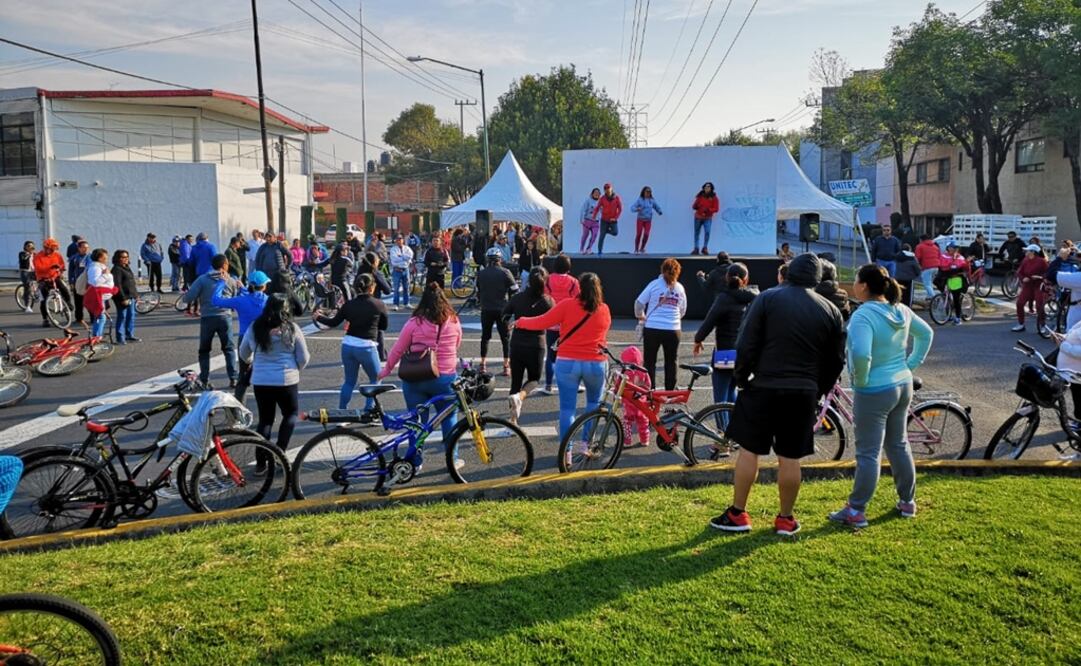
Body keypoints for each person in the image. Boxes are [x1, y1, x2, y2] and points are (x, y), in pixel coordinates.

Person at [710, 253, 845, 536]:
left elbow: (745, 342)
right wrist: (816, 388)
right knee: (791, 457)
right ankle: (785, 518)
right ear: (816, 278)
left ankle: (738, 514)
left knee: (749, 450)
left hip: (764, 385)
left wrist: (741, 377)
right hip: (803, 391)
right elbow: (836, 360)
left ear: (790, 272)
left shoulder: (768, 298)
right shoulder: (829, 309)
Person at [829, 264, 933, 528]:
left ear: (864, 286)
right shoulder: (900, 310)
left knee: (868, 452)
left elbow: (862, 354)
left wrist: (860, 381)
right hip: (902, 385)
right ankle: (907, 501)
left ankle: (856, 510)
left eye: (855, 280)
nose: (853, 284)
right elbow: (926, 334)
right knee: (898, 444)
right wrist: (909, 365)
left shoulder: (864, 316)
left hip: (874, 390)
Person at [515, 272, 612, 445]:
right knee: (593, 405)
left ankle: (566, 451)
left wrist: (520, 321)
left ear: (579, 287)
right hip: (595, 362)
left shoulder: (567, 305)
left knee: (567, 409)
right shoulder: (604, 309)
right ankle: (586, 445)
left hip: (567, 361)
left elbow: (542, 322)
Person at [379, 283, 464, 445]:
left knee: (417, 422)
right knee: (448, 418)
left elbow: (398, 349)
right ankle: (452, 457)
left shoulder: (414, 323)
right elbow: (457, 344)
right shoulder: (454, 321)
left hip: (415, 377)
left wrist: (386, 370)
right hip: (445, 378)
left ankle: (415, 461)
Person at [240, 294, 310, 456]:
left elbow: (244, 353)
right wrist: (295, 369)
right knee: (290, 414)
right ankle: (280, 451)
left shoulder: (255, 327)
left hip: (261, 380)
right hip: (286, 379)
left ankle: (261, 461)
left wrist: (252, 362)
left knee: (265, 420)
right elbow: (303, 357)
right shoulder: (292, 329)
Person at [315, 273, 388, 417]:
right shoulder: (379, 304)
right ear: (372, 287)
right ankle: (369, 410)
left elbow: (334, 322)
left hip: (348, 345)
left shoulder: (349, 305)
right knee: (376, 378)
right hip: (367, 346)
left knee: (349, 381)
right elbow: (383, 326)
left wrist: (318, 317)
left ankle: (342, 411)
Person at [693, 263, 757, 409]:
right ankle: (734, 427)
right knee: (732, 391)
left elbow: (709, 321)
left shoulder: (724, 298)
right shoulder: (753, 298)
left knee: (720, 398)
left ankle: (723, 431)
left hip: (724, 353)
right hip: (743, 354)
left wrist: (698, 339)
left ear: (726, 278)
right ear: (746, 279)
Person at [180, 254, 240, 389]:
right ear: (224, 265)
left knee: (204, 350)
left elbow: (188, 298)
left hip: (207, 317)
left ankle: (205, 378)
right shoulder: (230, 280)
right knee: (229, 348)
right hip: (225, 317)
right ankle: (233, 378)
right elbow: (234, 299)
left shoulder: (202, 280)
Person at [503, 266, 554, 425]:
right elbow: (556, 322)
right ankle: (521, 396)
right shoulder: (548, 301)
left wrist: (509, 324)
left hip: (517, 343)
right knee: (534, 379)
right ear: (544, 282)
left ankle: (513, 420)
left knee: (515, 383)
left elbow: (504, 315)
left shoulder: (518, 298)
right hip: (537, 344)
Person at [213, 270, 271, 401]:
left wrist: (222, 283)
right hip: (264, 338)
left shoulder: (241, 300)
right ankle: (266, 408)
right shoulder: (269, 301)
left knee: (243, 375)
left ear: (251, 285)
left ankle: (239, 409)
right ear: (264, 286)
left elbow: (216, 300)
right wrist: (243, 289)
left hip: (245, 338)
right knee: (265, 375)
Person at [634, 258, 688, 391]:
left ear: (662, 270)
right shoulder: (680, 288)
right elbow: (683, 309)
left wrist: (641, 316)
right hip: (673, 329)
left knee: (650, 362)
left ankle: (650, 391)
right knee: (671, 361)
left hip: (653, 327)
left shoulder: (654, 284)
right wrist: (673, 319)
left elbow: (639, 303)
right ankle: (670, 392)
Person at [540, 254, 581, 395]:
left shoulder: (548, 280)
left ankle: (548, 385)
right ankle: (573, 384)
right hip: (569, 324)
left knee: (551, 356)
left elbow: (543, 297)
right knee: (572, 355)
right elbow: (579, 301)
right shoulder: (574, 282)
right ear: (568, 267)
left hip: (552, 323)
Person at [476, 247, 517, 376]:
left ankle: (483, 364)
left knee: (485, 337)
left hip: (486, 308)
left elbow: (478, 291)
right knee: (505, 338)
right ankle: (506, 366)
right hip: (502, 309)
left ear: (488, 259)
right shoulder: (505, 272)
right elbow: (515, 290)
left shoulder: (481, 273)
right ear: (500, 259)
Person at [32, 238, 71, 328]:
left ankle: (68, 303)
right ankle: (45, 319)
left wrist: (60, 271)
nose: (52, 251)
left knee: (64, 288)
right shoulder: (38, 257)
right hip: (43, 279)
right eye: (51, 249)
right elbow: (39, 268)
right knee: (44, 300)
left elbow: (62, 265)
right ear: (45, 248)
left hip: (54, 277)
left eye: (54, 249)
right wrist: (51, 267)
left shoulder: (57, 255)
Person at [619, 345, 652, 448]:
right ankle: (644, 440)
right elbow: (648, 385)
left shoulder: (625, 372)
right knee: (643, 422)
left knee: (627, 423)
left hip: (628, 402)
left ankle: (627, 441)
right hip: (641, 401)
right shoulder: (643, 371)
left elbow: (619, 385)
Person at [1012, 244, 1049, 333]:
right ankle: (1021, 324)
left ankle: (1042, 325)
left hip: (1038, 285)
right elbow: (1019, 272)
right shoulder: (1025, 260)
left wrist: (1039, 277)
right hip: (1027, 285)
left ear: (1033, 252)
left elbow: (1047, 273)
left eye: (1027, 250)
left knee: (1039, 305)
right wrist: (1023, 278)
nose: (1026, 252)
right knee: (1020, 303)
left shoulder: (1042, 261)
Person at [84, 248, 116, 338]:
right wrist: (107, 275)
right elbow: (95, 282)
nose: (107, 259)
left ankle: (97, 336)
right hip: (97, 295)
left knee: (100, 316)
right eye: (105, 257)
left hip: (101, 295)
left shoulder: (99, 266)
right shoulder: (95, 267)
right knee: (101, 317)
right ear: (99, 258)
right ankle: (97, 337)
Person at [111, 249, 140, 344]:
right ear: (118, 258)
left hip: (131, 296)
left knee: (131, 316)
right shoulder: (116, 269)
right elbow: (117, 285)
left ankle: (129, 335)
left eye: (127, 257)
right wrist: (123, 299)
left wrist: (136, 296)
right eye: (123, 257)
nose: (125, 259)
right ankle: (120, 338)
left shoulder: (126, 267)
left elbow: (131, 283)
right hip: (122, 297)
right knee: (122, 316)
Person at [937, 242, 969, 325]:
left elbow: (963, 266)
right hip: (946, 279)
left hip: (956, 279)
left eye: (955, 248)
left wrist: (958, 263)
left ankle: (958, 318)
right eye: (951, 247)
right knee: (946, 297)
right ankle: (949, 315)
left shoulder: (960, 257)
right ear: (948, 248)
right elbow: (942, 265)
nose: (953, 249)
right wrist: (951, 263)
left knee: (956, 299)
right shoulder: (944, 255)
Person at [631, 186, 663, 254]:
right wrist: (637, 209)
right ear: (644, 192)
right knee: (639, 234)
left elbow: (656, 206)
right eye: (647, 192)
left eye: (649, 192)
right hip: (640, 219)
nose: (648, 193)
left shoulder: (652, 200)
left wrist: (659, 211)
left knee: (646, 234)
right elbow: (632, 208)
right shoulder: (640, 200)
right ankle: (636, 249)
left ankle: (642, 248)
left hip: (648, 220)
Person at [593, 183, 622, 255]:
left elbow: (620, 209)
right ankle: (599, 252)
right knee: (601, 236)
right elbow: (597, 208)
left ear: (611, 189)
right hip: (604, 220)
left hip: (613, 220)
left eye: (608, 189)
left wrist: (615, 218)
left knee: (615, 233)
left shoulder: (617, 198)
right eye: (606, 189)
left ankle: (606, 231)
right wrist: (594, 217)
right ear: (604, 191)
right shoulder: (602, 198)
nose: (607, 191)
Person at [691, 182, 720, 256]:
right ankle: (696, 248)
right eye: (705, 187)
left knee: (707, 232)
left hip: (707, 218)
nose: (707, 188)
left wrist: (708, 210)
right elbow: (694, 206)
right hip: (698, 217)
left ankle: (705, 247)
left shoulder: (714, 198)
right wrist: (697, 206)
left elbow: (716, 209)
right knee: (696, 233)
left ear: (711, 188)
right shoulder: (700, 196)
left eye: (708, 187)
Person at [389, 234, 414, 311]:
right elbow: (394, 259)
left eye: (401, 239)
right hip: (396, 270)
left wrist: (400, 256)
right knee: (396, 288)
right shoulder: (393, 249)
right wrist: (404, 258)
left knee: (406, 287)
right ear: (396, 241)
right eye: (398, 239)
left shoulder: (407, 248)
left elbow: (410, 256)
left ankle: (406, 303)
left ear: (403, 240)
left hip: (405, 269)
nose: (399, 241)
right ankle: (396, 304)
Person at [68, 240, 90, 324]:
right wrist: (71, 282)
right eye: (84, 247)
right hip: (78, 282)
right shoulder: (74, 258)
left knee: (89, 300)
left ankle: (93, 317)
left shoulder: (91, 257)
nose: (86, 249)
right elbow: (71, 271)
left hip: (88, 282)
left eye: (87, 247)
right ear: (79, 248)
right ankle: (79, 318)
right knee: (78, 302)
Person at [914, 234, 942, 300]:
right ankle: (929, 296)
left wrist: (918, 266)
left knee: (927, 284)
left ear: (921, 239)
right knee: (930, 283)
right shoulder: (935, 247)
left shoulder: (919, 246)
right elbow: (939, 256)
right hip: (936, 267)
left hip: (927, 267)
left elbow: (917, 258)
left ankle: (934, 298)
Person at [580, 187, 602, 254]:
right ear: (592, 194)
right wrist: (582, 219)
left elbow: (603, 211)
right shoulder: (588, 200)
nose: (596, 194)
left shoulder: (601, 202)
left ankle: (588, 248)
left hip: (596, 222)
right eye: (595, 193)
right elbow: (583, 210)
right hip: (587, 221)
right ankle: (581, 249)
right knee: (585, 235)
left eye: (598, 193)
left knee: (594, 235)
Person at [17, 240, 35, 313]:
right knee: (28, 287)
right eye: (29, 246)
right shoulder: (22, 253)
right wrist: (29, 254)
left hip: (33, 271)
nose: (31, 247)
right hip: (25, 272)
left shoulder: (34, 254)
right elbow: (23, 259)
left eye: (32, 246)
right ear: (25, 247)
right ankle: (27, 306)